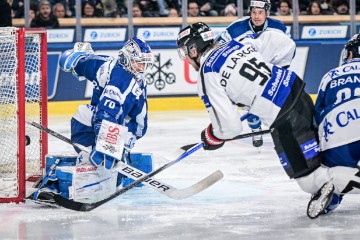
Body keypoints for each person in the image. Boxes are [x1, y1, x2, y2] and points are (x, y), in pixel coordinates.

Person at [176, 22, 360, 219]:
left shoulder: (207, 75)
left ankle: (329, 185)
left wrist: (212, 136)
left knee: (310, 180)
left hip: (285, 117)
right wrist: (270, 81)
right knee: (322, 159)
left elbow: (230, 127)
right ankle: (333, 189)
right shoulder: (238, 44)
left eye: (185, 52)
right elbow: (285, 44)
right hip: (298, 92)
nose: (186, 58)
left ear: (193, 49)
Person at [217, 0, 293, 150]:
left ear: (267, 13)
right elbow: (219, 47)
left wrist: (279, 71)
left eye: (260, 12)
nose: (256, 16)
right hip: (246, 70)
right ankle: (255, 128)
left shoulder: (279, 28)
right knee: (250, 103)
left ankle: (280, 129)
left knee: (275, 104)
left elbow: (286, 50)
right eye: (253, 12)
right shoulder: (235, 28)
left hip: (270, 67)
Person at [314, 33, 360, 215]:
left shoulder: (330, 75)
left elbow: (317, 115)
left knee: (333, 173)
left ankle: (332, 195)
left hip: (339, 139)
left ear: (349, 54)